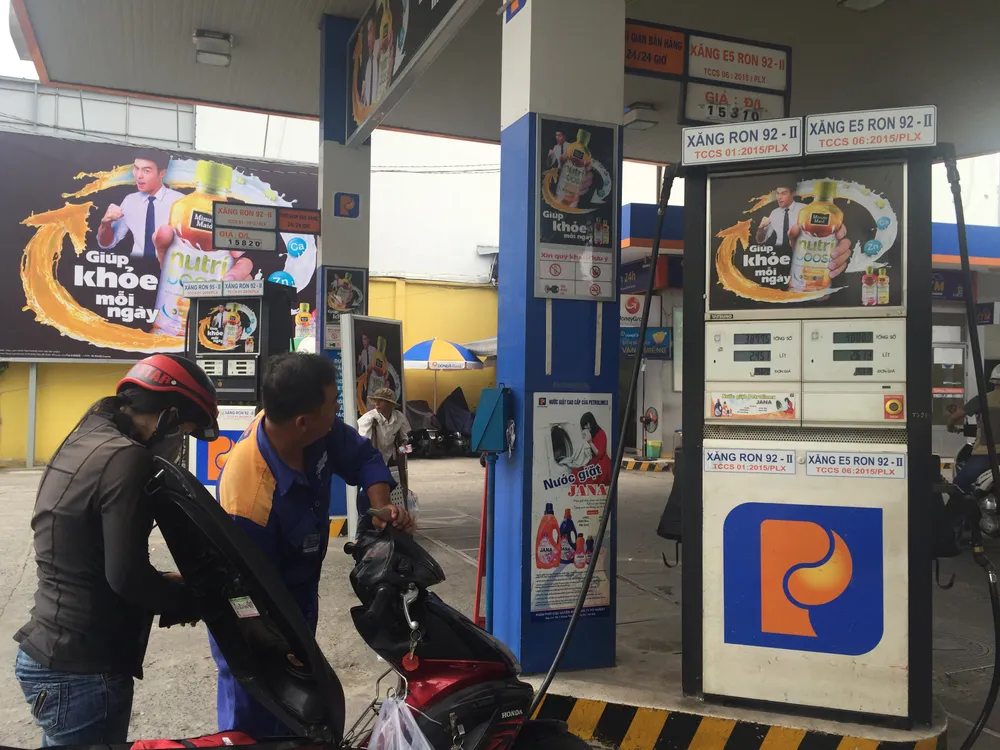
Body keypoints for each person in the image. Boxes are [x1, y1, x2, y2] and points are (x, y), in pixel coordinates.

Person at [14, 354, 219, 746]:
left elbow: (88, 548)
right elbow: (126, 578)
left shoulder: (87, 436)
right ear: (170, 415)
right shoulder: (127, 457)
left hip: (50, 648)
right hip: (83, 668)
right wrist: (190, 600)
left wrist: (167, 582)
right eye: (184, 431)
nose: (179, 442)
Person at [211, 353, 414, 738]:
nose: (338, 412)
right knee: (257, 724)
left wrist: (381, 507)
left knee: (300, 717)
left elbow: (363, 456)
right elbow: (250, 600)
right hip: (254, 627)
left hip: (299, 597)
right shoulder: (249, 500)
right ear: (303, 421)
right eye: (333, 405)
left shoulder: (311, 430)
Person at [97, 150, 183, 260]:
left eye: (146, 171)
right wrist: (105, 224)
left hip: (169, 268)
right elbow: (106, 244)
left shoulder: (181, 202)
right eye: (136, 168)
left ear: (162, 173)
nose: (138, 176)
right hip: (137, 268)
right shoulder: (130, 201)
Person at [951, 366, 1000, 492]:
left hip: (985, 455)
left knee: (957, 486)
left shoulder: (982, 399)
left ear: (993, 381)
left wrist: (951, 426)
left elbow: (955, 416)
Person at [580, 412, 611, 486]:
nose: (586, 427)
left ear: (592, 422)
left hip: (602, 467)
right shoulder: (589, 434)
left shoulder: (601, 434)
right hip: (593, 467)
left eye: (587, 424)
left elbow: (600, 454)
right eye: (584, 426)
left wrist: (590, 442)